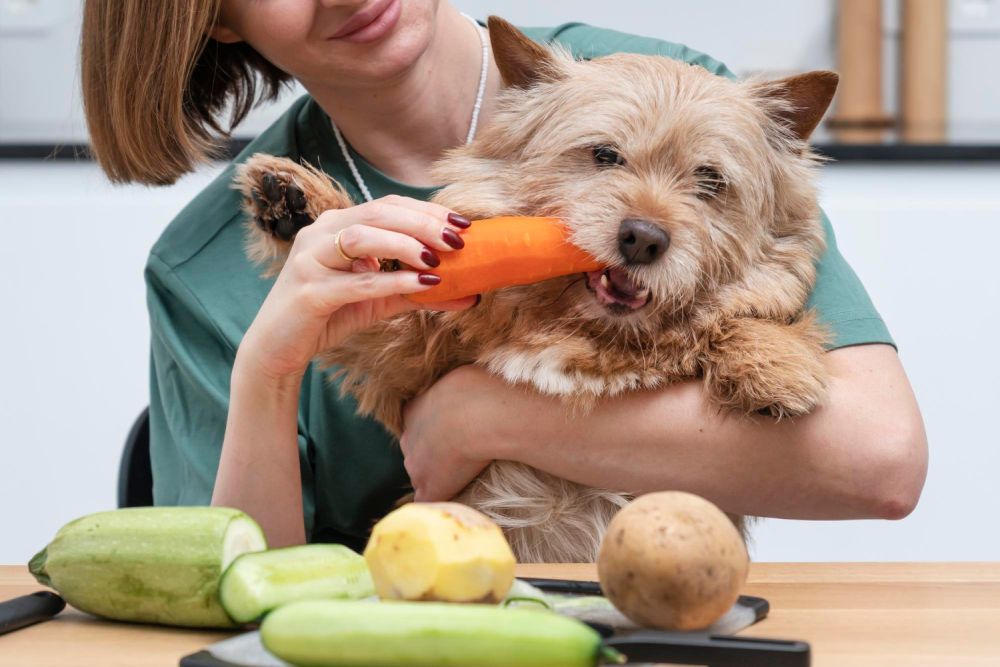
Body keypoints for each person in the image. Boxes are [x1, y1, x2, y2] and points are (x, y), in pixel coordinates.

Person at [81, 0, 927, 550]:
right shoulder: (207, 264)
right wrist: (270, 364)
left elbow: (880, 464)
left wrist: (483, 416)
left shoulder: (676, 98)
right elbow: (234, 588)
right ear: (217, 17)